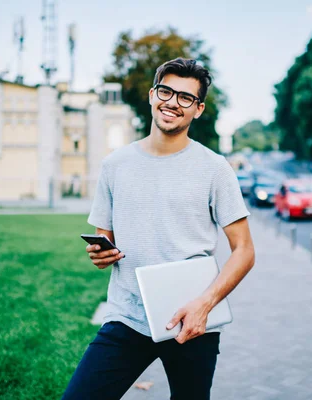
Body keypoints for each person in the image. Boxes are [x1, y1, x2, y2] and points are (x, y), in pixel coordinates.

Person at [62, 58, 255, 400]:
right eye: (166, 91)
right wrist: (100, 253)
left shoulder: (215, 169)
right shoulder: (114, 165)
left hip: (192, 318)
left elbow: (244, 250)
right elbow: (103, 238)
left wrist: (205, 305)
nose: (172, 102)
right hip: (127, 316)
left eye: (185, 97)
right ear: (152, 95)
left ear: (198, 109)